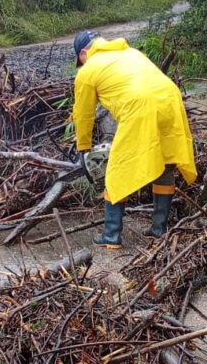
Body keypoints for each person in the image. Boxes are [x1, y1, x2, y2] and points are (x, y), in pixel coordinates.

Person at [72, 30, 197, 248]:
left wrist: (83, 147)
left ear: (83, 53)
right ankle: (159, 229)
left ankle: (111, 236)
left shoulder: (88, 70)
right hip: (170, 99)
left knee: (117, 169)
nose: (81, 65)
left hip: (141, 106)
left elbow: (83, 115)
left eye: (79, 60)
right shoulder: (130, 52)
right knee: (166, 162)